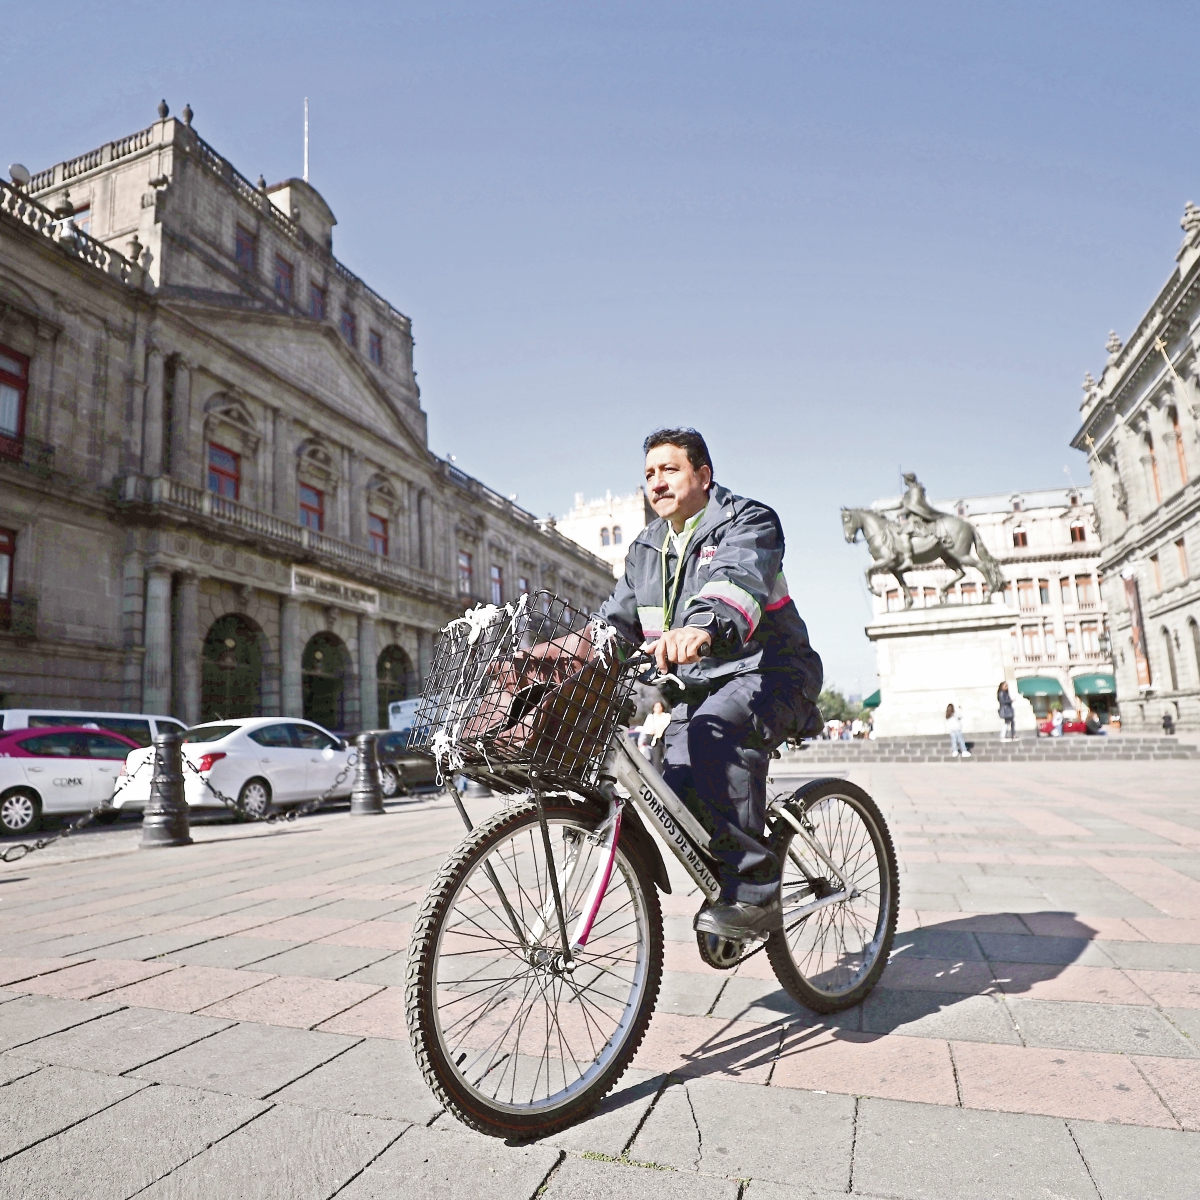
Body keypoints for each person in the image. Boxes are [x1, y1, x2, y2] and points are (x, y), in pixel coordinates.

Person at [599, 428, 824, 940]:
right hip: (698, 687)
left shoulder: (746, 520)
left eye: (670, 470)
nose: (657, 483)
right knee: (670, 784)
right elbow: (615, 623)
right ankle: (728, 883)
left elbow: (736, 580)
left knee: (713, 735)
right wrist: (563, 656)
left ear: (702, 475)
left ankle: (753, 891)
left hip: (770, 669)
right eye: (649, 474)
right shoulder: (644, 550)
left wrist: (703, 626)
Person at [637, 700, 671, 772]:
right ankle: (659, 777)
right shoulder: (651, 717)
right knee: (656, 760)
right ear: (653, 708)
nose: (658, 708)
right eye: (656, 706)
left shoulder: (667, 716)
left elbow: (668, 725)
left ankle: (669, 774)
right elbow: (646, 729)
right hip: (655, 741)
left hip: (666, 739)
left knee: (668, 758)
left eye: (659, 706)